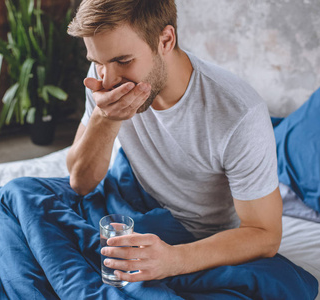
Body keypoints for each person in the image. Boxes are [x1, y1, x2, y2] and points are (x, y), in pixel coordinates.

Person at [66, 0, 283, 283]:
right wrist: (104, 119)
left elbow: (265, 235)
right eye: (97, 62)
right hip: (130, 194)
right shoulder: (103, 77)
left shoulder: (238, 113)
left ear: (165, 40)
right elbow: (80, 183)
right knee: (18, 196)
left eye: (123, 61)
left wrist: (174, 260)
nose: (107, 80)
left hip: (191, 232)